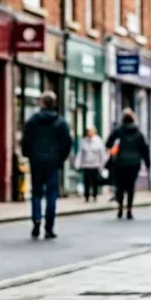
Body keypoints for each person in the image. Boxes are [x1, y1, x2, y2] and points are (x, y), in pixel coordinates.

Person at [21, 92, 73, 239]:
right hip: (52, 163)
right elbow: (67, 144)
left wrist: (28, 155)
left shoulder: (32, 121)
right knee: (51, 194)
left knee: (36, 193)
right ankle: (49, 227)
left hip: (36, 161)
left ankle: (36, 219)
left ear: (42, 104)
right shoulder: (61, 123)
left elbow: (26, 141)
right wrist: (59, 159)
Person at [106, 109, 151, 220]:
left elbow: (108, 143)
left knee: (120, 186)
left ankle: (120, 207)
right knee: (130, 187)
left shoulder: (118, 131)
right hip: (134, 163)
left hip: (120, 162)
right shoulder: (138, 133)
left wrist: (114, 149)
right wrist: (147, 162)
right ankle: (129, 210)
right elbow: (144, 149)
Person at [75, 127, 107, 202]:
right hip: (86, 165)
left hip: (95, 165)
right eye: (88, 132)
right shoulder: (84, 141)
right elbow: (80, 154)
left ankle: (95, 195)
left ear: (94, 133)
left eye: (91, 132)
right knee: (86, 182)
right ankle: (86, 196)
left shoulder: (98, 141)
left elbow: (102, 154)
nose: (89, 133)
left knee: (94, 181)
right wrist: (78, 164)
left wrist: (102, 165)